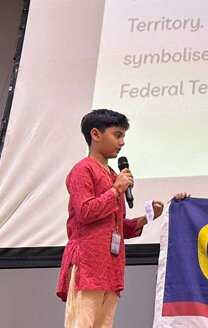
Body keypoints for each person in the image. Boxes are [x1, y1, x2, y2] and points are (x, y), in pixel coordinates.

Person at [56, 109, 164, 328]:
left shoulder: (114, 176)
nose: (122, 142)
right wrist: (116, 191)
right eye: (117, 135)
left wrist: (146, 218)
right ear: (96, 135)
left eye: (123, 136)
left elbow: (114, 225)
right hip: (88, 263)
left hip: (110, 267)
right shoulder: (82, 170)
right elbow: (86, 212)